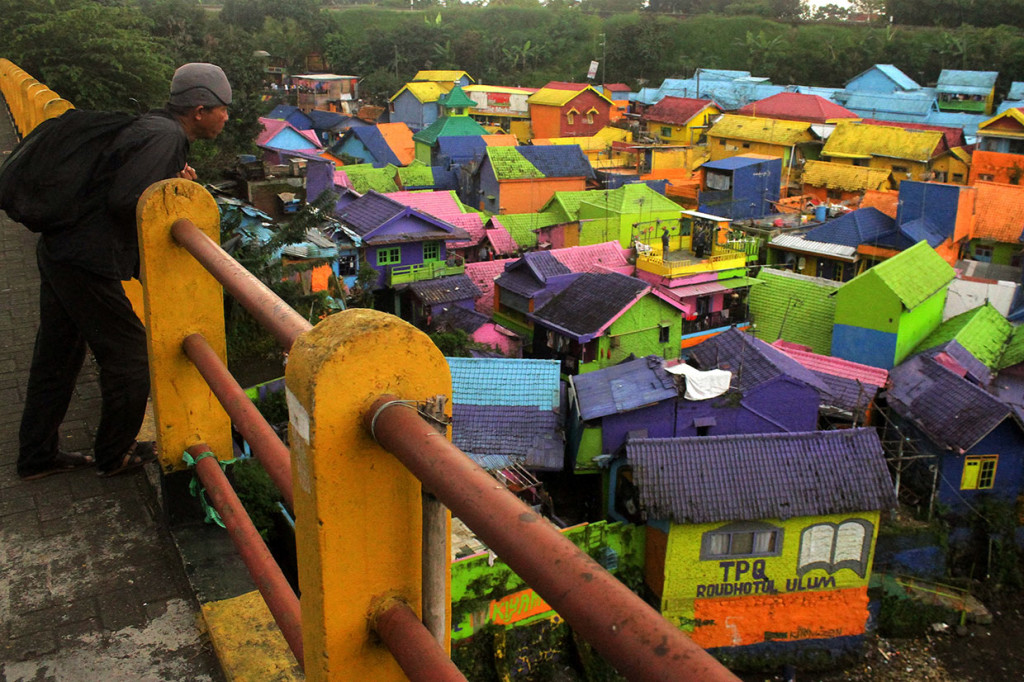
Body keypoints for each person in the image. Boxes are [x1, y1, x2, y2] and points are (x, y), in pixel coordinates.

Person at [17, 63, 232, 479]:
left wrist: (167, 176)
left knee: (58, 356)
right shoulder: (167, 136)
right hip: (84, 261)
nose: (227, 118)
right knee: (132, 357)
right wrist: (165, 183)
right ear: (201, 110)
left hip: (62, 248)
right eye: (223, 109)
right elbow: (126, 200)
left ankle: (37, 457)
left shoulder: (156, 126)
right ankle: (115, 454)